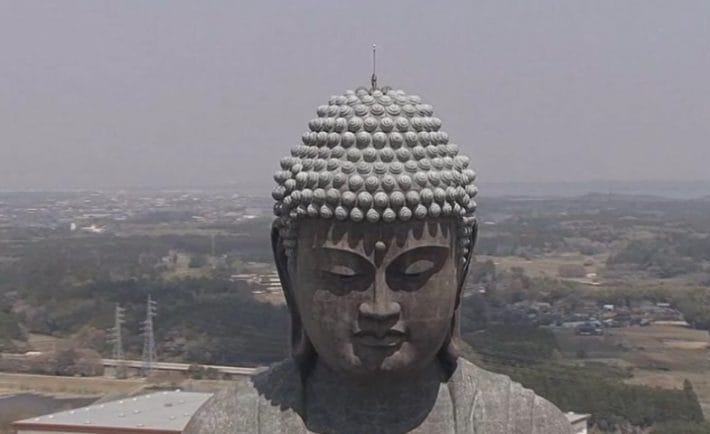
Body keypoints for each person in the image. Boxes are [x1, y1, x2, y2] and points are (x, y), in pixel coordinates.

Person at [187, 86, 571, 434]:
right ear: (288, 270)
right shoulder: (231, 425)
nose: (379, 306)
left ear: (461, 267)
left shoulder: (526, 424)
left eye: (415, 272)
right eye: (342, 273)